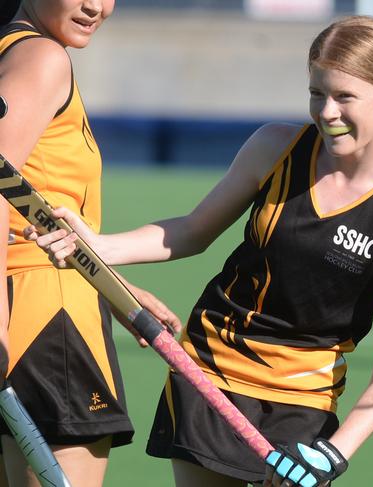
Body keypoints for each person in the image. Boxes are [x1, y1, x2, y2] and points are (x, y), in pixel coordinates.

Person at [28, 15, 373, 486]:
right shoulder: (276, 148)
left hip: (303, 404)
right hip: (210, 377)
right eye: (317, 93)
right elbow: (191, 231)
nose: (327, 112)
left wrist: (334, 453)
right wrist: (97, 244)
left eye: (344, 97)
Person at [0, 1, 180, 486]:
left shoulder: (17, 51)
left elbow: (32, 207)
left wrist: (114, 288)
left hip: (44, 311)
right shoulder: (41, 58)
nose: (95, 5)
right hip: (46, 324)